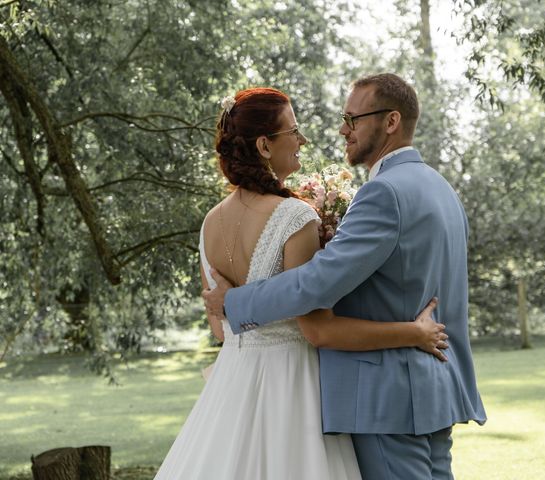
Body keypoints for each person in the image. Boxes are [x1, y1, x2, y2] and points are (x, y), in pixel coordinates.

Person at [154, 87, 449, 480]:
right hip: (294, 389)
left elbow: (220, 329)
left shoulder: (210, 223)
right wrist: (413, 332)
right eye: (294, 131)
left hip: (232, 387)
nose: (303, 140)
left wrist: (235, 305)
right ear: (264, 145)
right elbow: (316, 326)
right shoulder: (296, 216)